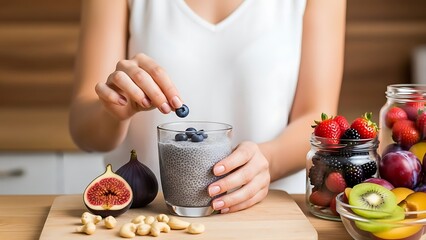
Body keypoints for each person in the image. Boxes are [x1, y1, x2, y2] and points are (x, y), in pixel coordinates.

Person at [69, 0, 346, 214]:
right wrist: (113, 110)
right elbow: (84, 132)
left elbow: (318, 120)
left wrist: (268, 161)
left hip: (269, 219)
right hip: (151, 220)